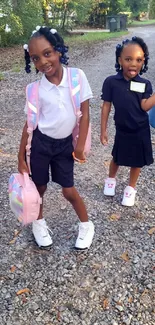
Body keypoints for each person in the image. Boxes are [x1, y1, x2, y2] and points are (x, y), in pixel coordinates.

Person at [18, 26, 94, 249]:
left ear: (59, 50)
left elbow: (86, 112)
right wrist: (20, 157)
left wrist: (79, 146)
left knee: (68, 190)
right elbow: (29, 125)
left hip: (64, 146)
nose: (42, 61)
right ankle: (38, 223)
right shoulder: (35, 89)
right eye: (35, 58)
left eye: (47, 53)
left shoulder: (77, 77)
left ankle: (86, 225)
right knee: (38, 188)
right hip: (41, 144)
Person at [100, 36, 155, 207]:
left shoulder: (144, 84)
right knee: (117, 157)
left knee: (137, 161)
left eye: (138, 60)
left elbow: (145, 106)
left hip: (140, 130)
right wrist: (103, 130)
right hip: (122, 129)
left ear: (143, 61)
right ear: (120, 60)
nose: (133, 64)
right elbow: (106, 106)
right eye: (128, 59)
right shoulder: (111, 82)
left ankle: (130, 189)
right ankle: (111, 180)